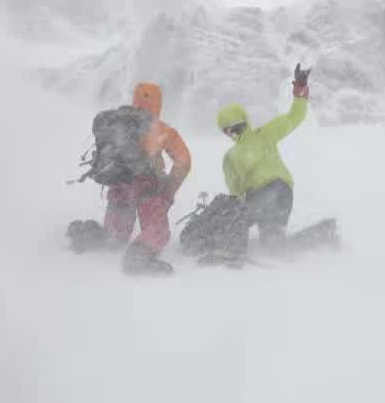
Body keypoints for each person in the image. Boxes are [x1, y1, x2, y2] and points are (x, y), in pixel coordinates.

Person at [210, 64, 310, 264]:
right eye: (231, 130)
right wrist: (300, 91)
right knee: (273, 244)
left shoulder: (234, 155)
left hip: (267, 193)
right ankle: (317, 238)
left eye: (234, 128)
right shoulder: (264, 135)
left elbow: (235, 195)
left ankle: (233, 252)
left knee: (234, 214)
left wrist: (299, 90)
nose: (233, 133)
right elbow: (294, 117)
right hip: (284, 193)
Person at [104, 82, 191, 274]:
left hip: (119, 184)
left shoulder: (118, 125)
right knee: (156, 230)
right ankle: (139, 255)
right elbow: (183, 161)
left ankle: (98, 235)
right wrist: (169, 188)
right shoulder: (162, 130)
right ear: (158, 104)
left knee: (116, 234)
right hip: (149, 188)